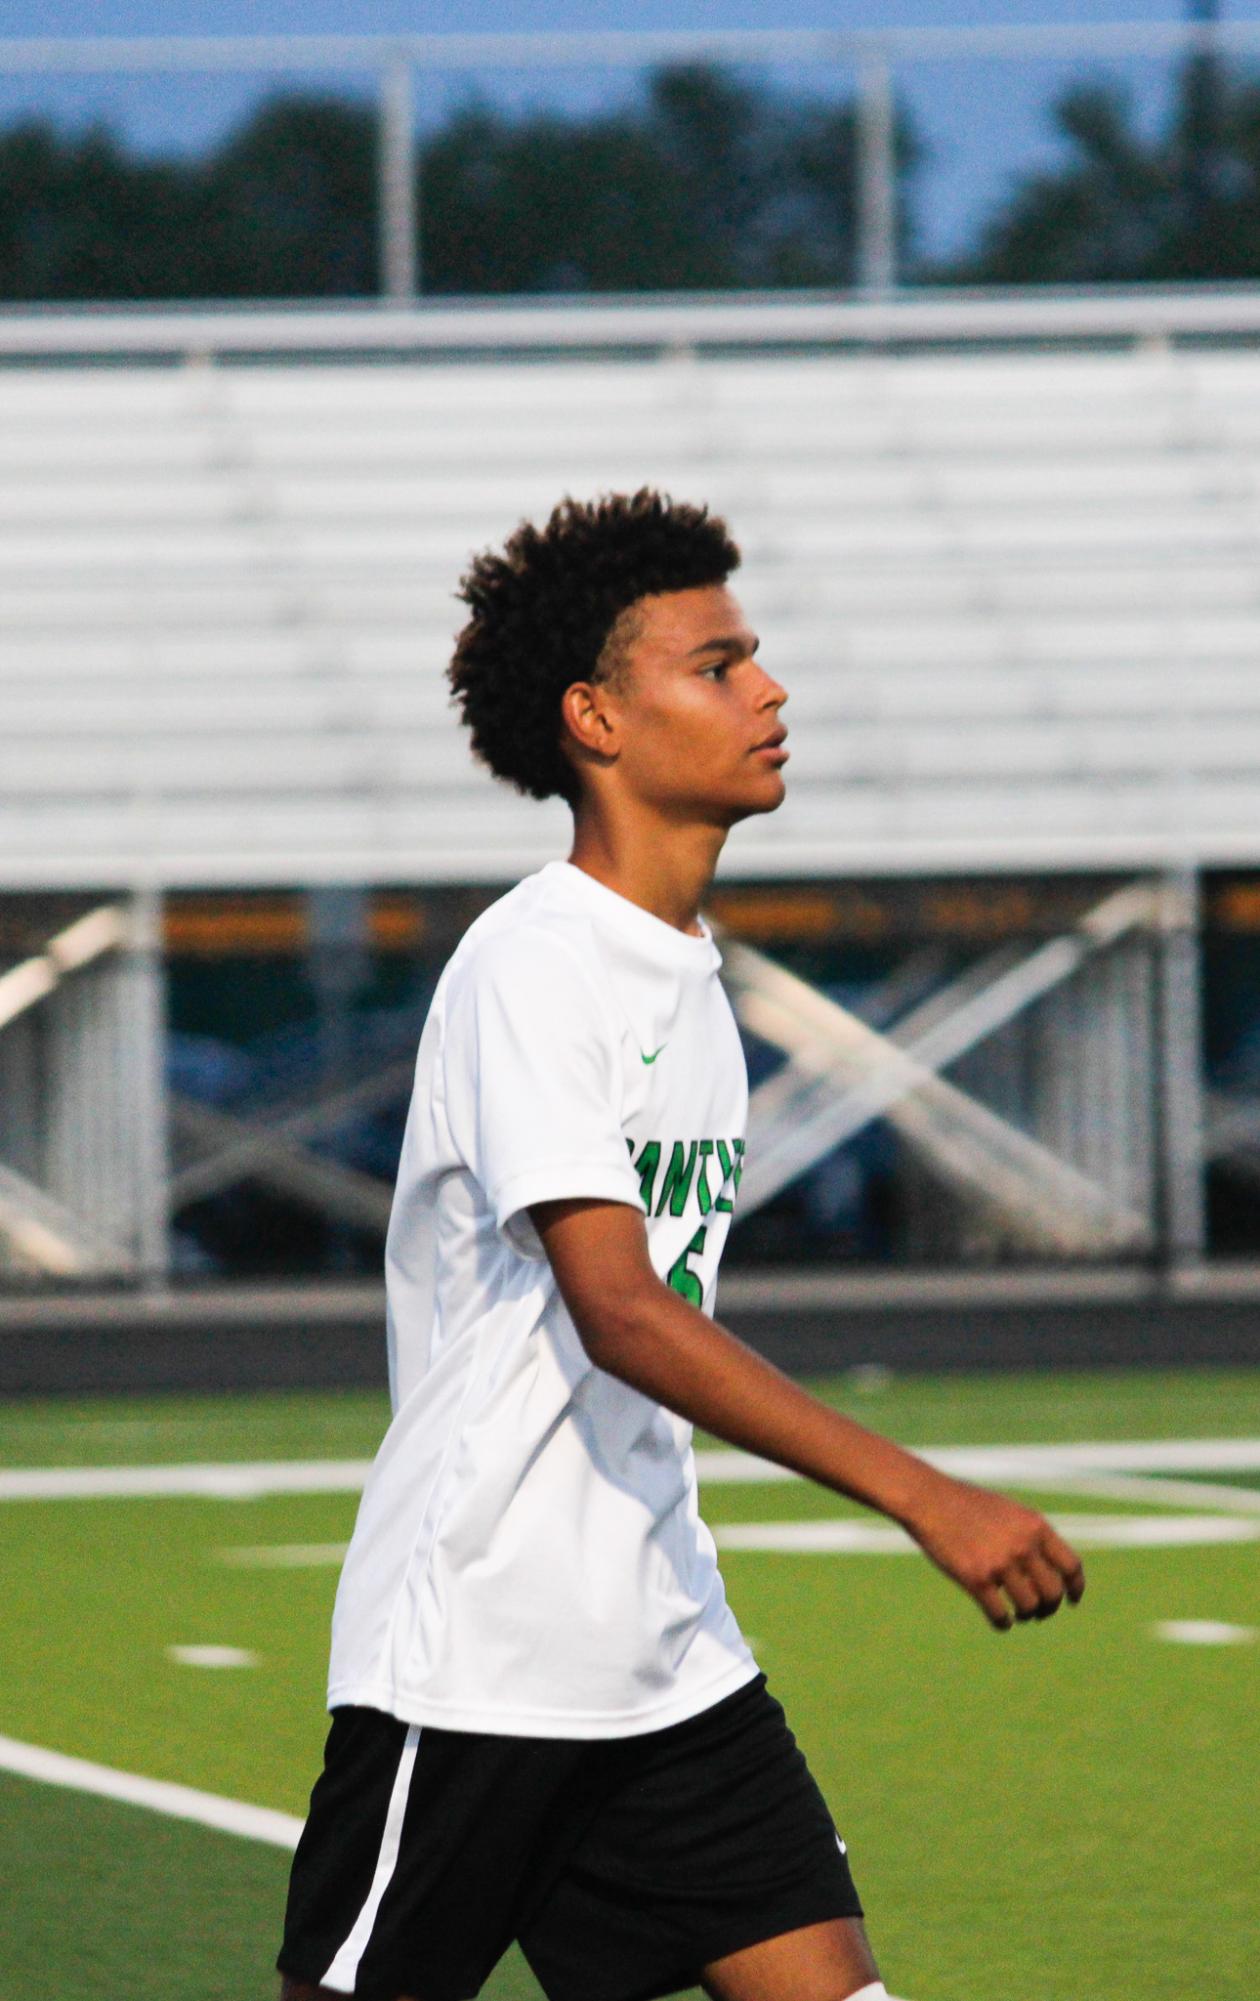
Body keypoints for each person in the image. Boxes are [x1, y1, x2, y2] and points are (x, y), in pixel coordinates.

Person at [278, 490, 1085, 2001]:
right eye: (717, 665)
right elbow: (622, 1313)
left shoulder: (688, 980)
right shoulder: (535, 964)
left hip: (662, 1652)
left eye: (756, 658)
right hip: (477, 1651)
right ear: (595, 716)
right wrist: (923, 1493)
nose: (768, 691)